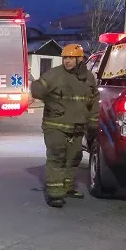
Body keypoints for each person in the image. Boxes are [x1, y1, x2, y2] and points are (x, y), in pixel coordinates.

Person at [30, 43, 99, 208]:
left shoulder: (89, 78)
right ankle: (55, 194)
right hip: (55, 125)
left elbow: (94, 100)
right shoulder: (54, 75)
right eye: (65, 58)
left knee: (74, 157)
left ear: (80, 59)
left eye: (70, 58)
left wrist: (93, 121)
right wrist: (50, 100)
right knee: (57, 157)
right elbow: (36, 89)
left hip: (77, 126)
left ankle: (67, 188)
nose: (67, 61)